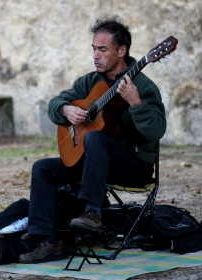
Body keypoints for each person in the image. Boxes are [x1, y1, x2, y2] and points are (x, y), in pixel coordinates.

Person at [18, 16, 166, 264]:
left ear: (122, 51)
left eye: (103, 49)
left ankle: (92, 212)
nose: (95, 55)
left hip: (133, 165)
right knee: (43, 168)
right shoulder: (89, 82)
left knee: (96, 137)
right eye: (94, 49)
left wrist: (136, 103)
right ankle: (48, 240)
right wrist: (66, 109)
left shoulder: (143, 85)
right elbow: (55, 103)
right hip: (95, 167)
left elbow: (157, 131)